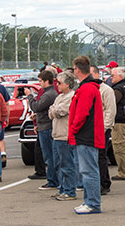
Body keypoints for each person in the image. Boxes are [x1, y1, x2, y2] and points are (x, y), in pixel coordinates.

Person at [68, 56, 105, 214]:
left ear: (77, 69)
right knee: (88, 170)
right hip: (87, 134)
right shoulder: (88, 87)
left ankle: (92, 203)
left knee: (88, 171)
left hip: (86, 135)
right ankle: (89, 201)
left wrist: (74, 129)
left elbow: (82, 113)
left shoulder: (87, 89)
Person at [50, 71, 80, 201]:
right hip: (56, 134)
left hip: (65, 135)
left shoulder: (71, 97)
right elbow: (51, 112)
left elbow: (59, 111)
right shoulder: (59, 97)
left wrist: (53, 109)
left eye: (60, 83)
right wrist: (53, 110)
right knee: (58, 164)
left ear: (67, 84)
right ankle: (62, 188)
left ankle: (70, 191)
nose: (57, 85)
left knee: (67, 164)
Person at [29, 70, 60, 191]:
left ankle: (52, 180)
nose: (39, 83)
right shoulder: (50, 93)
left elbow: (36, 106)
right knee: (50, 155)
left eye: (41, 81)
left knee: (49, 155)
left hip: (46, 127)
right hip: (45, 125)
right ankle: (54, 179)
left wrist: (29, 96)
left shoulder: (49, 94)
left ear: (47, 81)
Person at [92, 65, 116, 195]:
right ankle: (94, 182)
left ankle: (104, 183)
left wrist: (105, 127)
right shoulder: (87, 89)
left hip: (102, 128)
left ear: (96, 74)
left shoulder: (106, 90)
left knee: (101, 156)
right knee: (92, 157)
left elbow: (111, 110)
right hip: (91, 128)